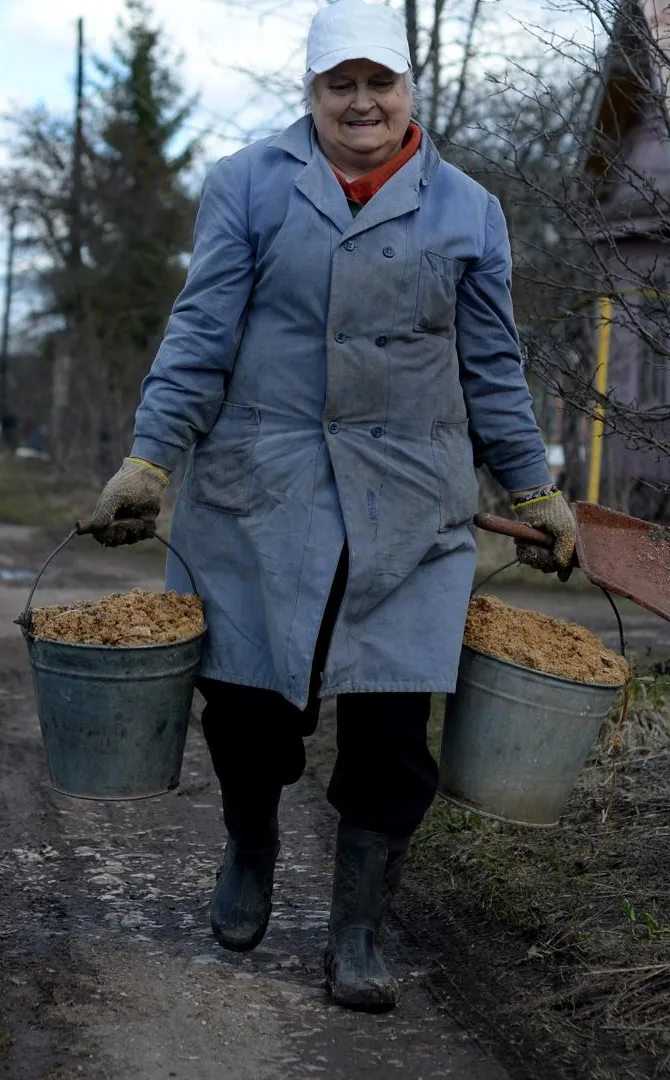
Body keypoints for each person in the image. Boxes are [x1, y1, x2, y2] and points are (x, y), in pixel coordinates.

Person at [81, 0, 576, 1013]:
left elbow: (492, 366)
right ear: (311, 93)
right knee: (254, 708)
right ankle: (251, 847)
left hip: (411, 507)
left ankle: (357, 928)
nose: (361, 102)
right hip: (266, 495)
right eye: (339, 83)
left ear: (408, 91)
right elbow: (201, 330)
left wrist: (533, 487)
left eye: (378, 83)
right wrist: (151, 457)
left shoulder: (468, 210)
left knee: (393, 729)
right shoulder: (250, 187)